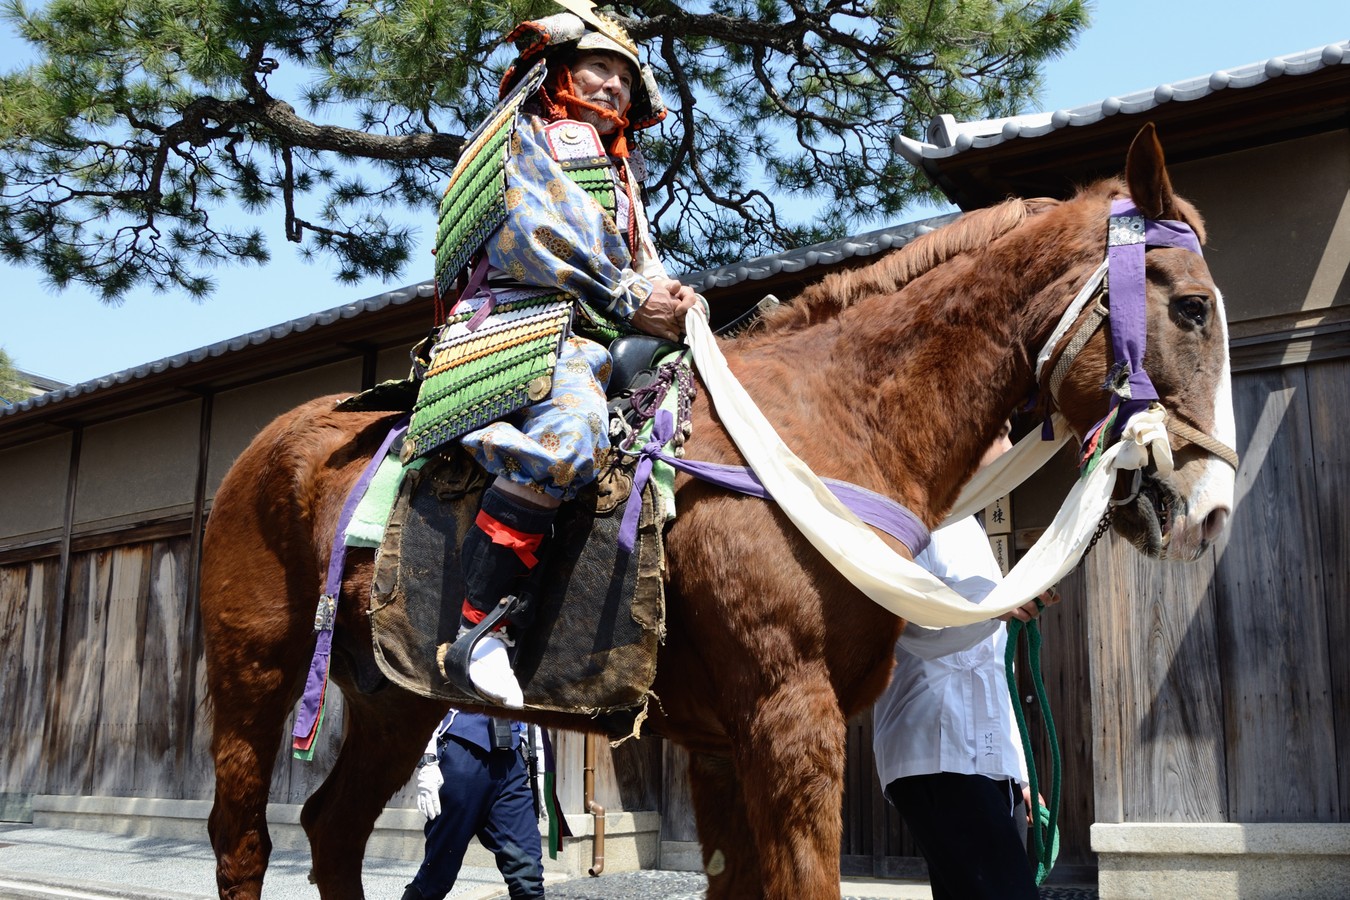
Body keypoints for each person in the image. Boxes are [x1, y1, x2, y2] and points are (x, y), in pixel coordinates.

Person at [415, 9, 705, 707]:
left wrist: (674, 298)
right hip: (528, 321)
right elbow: (536, 234)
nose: (613, 87)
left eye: (626, 79)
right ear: (561, 74)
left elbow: (642, 264)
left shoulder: (620, 173)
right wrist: (635, 299)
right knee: (574, 428)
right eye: (599, 68)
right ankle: (479, 628)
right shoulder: (529, 136)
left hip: (605, 330)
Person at [872, 421, 1060, 900]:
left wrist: (1019, 773)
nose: (1010, 445)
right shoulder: (913, 520)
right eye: (1001, 432)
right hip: (935, 750)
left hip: (986, 762)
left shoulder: (972, 529)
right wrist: (994, 606)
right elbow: (911, 627)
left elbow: (995, 669)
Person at [402, 707, 545, 900]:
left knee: (528, 873)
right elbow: (428, 693)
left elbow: (530, 700)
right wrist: (427, 760)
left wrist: (541, 766)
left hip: (511, 760)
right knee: (436, 877)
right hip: (461, 753)